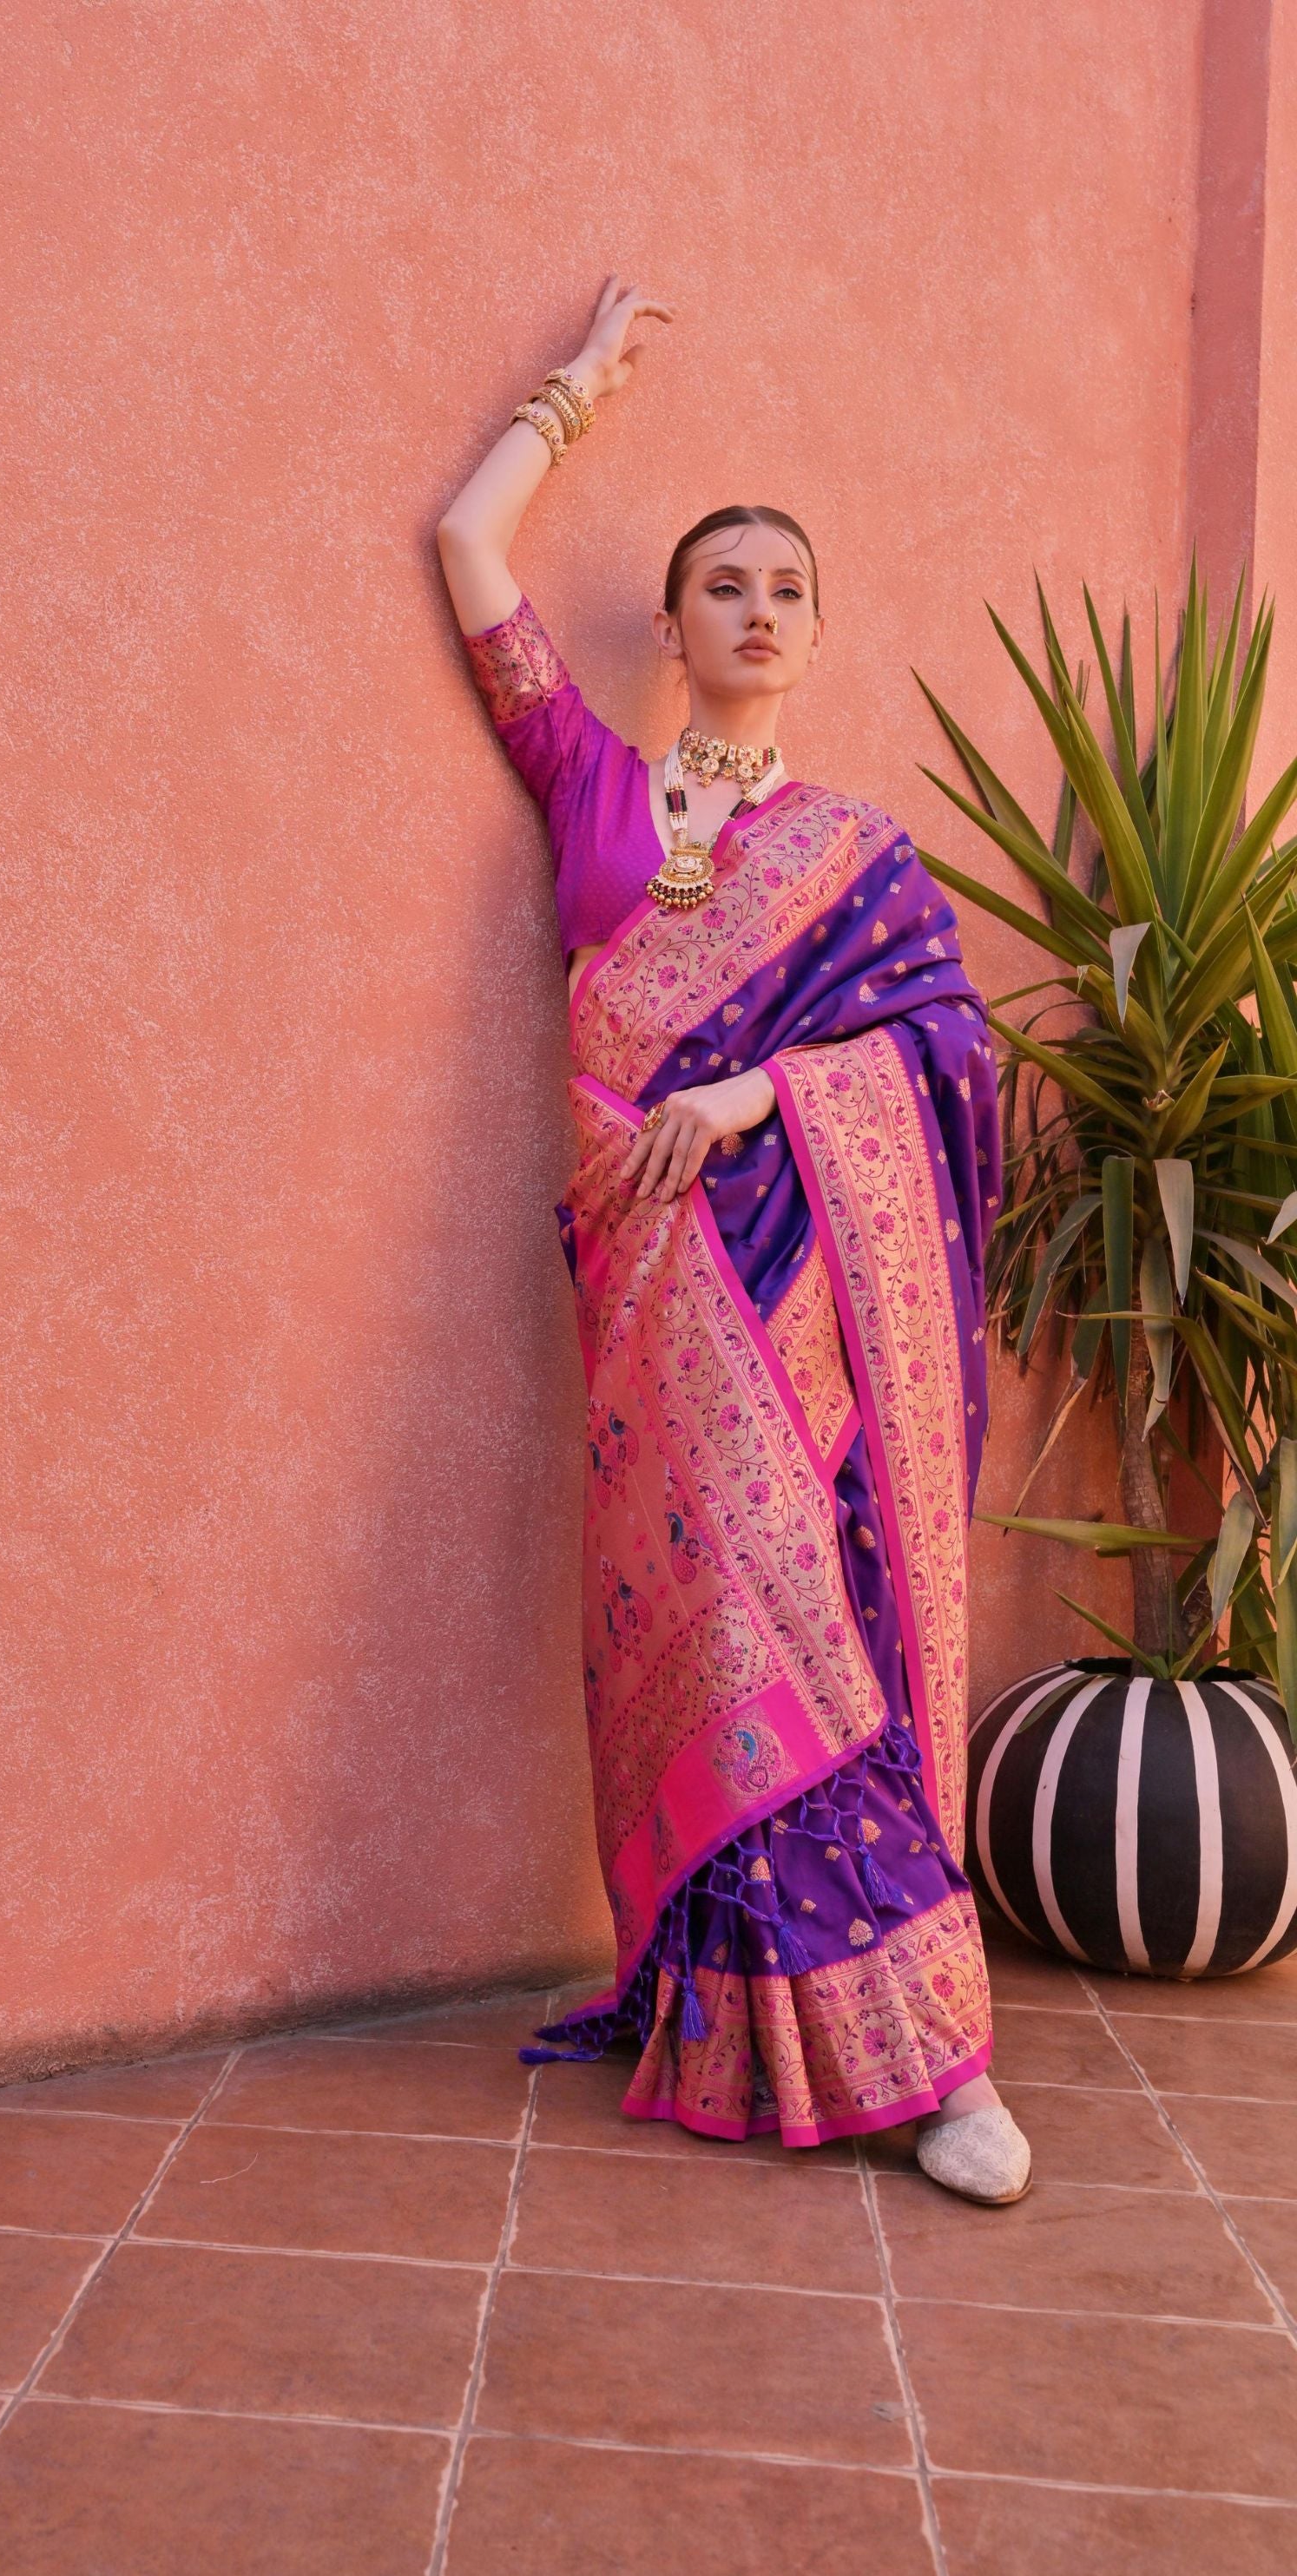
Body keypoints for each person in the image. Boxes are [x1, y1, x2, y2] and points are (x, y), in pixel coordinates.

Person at [437, 277, 1030, 2204]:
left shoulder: (862, 856)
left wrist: (760, 1094)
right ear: (673, 629)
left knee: (823, 1625)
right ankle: (737, 2027)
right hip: (648, 1307)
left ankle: (936, 2062)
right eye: (722, 585)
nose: (757, 609)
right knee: (710, 1647)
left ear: (816, 633)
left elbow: (945, 1056)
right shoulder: (596, 786)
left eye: (787, 587)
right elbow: (467, 549)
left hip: (802, 1305)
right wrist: (576, 393)